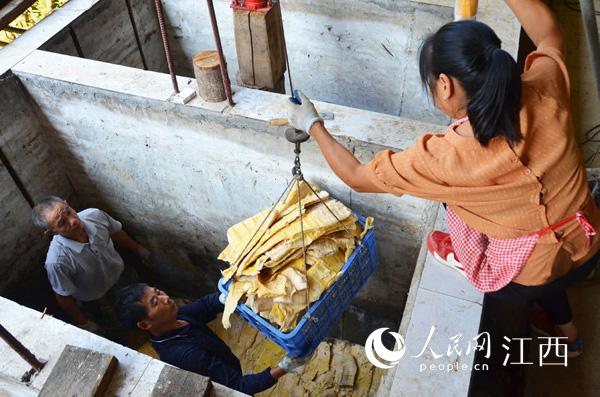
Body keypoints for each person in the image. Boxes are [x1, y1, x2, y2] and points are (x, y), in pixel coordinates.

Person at [285, 0, 599, 357]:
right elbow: (549, 32)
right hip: (587, 242)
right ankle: (570, 337)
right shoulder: (546, 87)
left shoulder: (444, 159)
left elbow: (356, 176)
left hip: (526, 275)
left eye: (431, 85)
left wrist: (311, 123)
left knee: (457, 203)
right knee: (546, 245)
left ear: (446, 86)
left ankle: (473, 261)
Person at [116, 283, 305, 395]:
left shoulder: (176, 318)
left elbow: (206, 305)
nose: (165, 297)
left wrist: (228, 295)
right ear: (145, 324)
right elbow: (238, 387)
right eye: (155, 302)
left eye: (158, 292)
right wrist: (285, 367)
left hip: (229, 367)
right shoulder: (184, 354)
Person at [31, 196, 152, 332]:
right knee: (117, 327)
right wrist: (84, 322)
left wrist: (139, 250)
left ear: (67, 204)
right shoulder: (57, 262)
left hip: (123, 275)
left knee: (145, 312)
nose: (74, 221)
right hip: (98, 299)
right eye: (62, 223)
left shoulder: (95, 216)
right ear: (51, 233)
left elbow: (116, 232)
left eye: (69, 212)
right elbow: (63, 297)